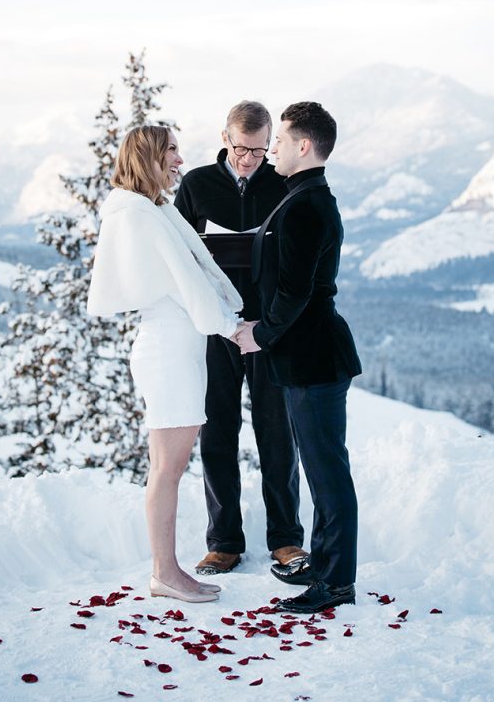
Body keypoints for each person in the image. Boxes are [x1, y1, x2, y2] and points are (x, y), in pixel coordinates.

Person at [87, 125, 243, 604]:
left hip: (176, 346)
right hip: (169, 350)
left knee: (168, 465)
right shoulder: (140, 216)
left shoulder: (151, 209)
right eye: (171, 150)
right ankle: (165, 573)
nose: (180, 159)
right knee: (167, 468)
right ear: (149, 157)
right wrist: (230, 327)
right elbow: (186, 282)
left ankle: (167, 570)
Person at [234, 102, 362, 613]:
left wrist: (260, 334)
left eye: (281, 143)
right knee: (320, 468)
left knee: (327, 471)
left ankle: (337, 583)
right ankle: (326, 566)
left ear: (304, 147)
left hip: (314, 358)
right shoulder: (302, 196)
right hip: (306, 356)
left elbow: (296, 292)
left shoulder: (308, 205)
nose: (273, 152)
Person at [174, 101, 306, 576]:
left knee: (277, 433)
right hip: (216, 330)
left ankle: (287, 540)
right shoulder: (196, 187)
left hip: (268, 330)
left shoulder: (282, 184)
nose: (251, 159)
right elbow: (178, 257)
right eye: (241, 148)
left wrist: (268, 325)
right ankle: (224, 542)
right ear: (224, 138)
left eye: (259, 149)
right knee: (218, 433)